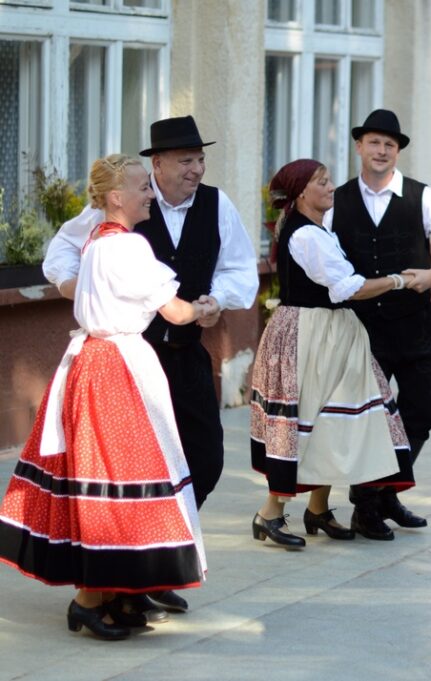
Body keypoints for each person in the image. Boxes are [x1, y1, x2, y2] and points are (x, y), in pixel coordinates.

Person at [41, 115, 258, 621]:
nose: (196, 169)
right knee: (131, 475)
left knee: (203, 462)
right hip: (131, 358)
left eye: (200, 159)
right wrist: (83, 289)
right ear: (156, 165)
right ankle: (129, 578)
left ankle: (150, 559)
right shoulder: (122, 210)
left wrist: (215, 298)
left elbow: (240, 270)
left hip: (183, 354)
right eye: (186, 160)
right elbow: (61, 252)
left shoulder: (217, 204)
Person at [0, 155, 211, 640]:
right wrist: (207, 306)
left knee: (106, 479)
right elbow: (175, 313)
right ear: (116, 197)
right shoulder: (128, 247)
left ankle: (118, 592)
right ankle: (89, 599)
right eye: (142, 186)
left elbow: (79, 282)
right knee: (115, 482)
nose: (150, 194)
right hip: (116, 368)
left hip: (95, 361)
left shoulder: (97, 240)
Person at [324, 109, 431, 536]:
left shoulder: (421, 197)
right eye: (374, 142)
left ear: (398, 152)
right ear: (358, 146)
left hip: (415, 326)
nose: (381, 151)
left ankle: (382, 493)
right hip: (359, 330)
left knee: (421, 411)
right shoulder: (335, 202)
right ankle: (369, 506)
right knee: (365, 418)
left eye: (389, 145)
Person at [250, 160, 417, 547]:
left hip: (331, 330)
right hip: (311, 332)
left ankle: (319, 507)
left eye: (328, 180)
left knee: (331, 417)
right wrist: (398, 281)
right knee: (308, 418)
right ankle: (269, 514)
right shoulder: (306, 236)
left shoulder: (318, 233)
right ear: (301, 193)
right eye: (321, 182)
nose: (330, 187)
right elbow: (347, 288)